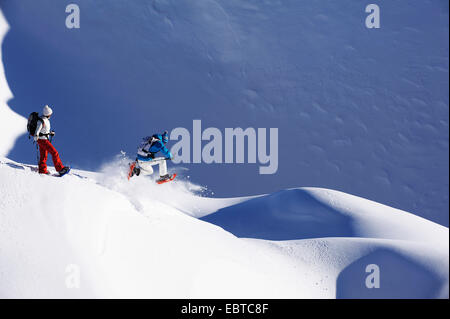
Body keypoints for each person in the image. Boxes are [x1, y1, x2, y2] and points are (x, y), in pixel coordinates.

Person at [34, 105, 70, 176]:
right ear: (48, 114)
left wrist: (50, 134)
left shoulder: (45, 120)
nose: (51, 115)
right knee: (54, 153)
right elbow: (37, 130)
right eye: (50, 114)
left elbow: (43, 131)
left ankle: (42, 170)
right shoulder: (42, 120)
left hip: (42, 140)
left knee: (44, 156)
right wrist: (36, 136)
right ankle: (60, 169)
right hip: (43, 140)